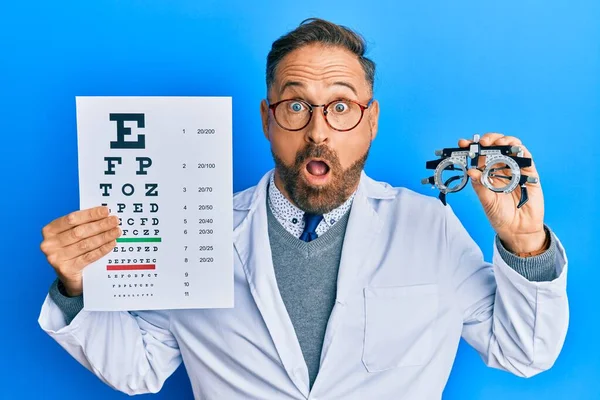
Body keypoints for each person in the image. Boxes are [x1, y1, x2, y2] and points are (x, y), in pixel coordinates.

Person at [38, 18, 568, 400]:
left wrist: (526, 243)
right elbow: (140, 369)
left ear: (371, 120)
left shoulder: (428, 227)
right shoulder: (196, 231)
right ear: (268, 119)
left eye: (340, 107)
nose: (318, 132)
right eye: (296, 106)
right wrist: (75, 288)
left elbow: (523, 354)